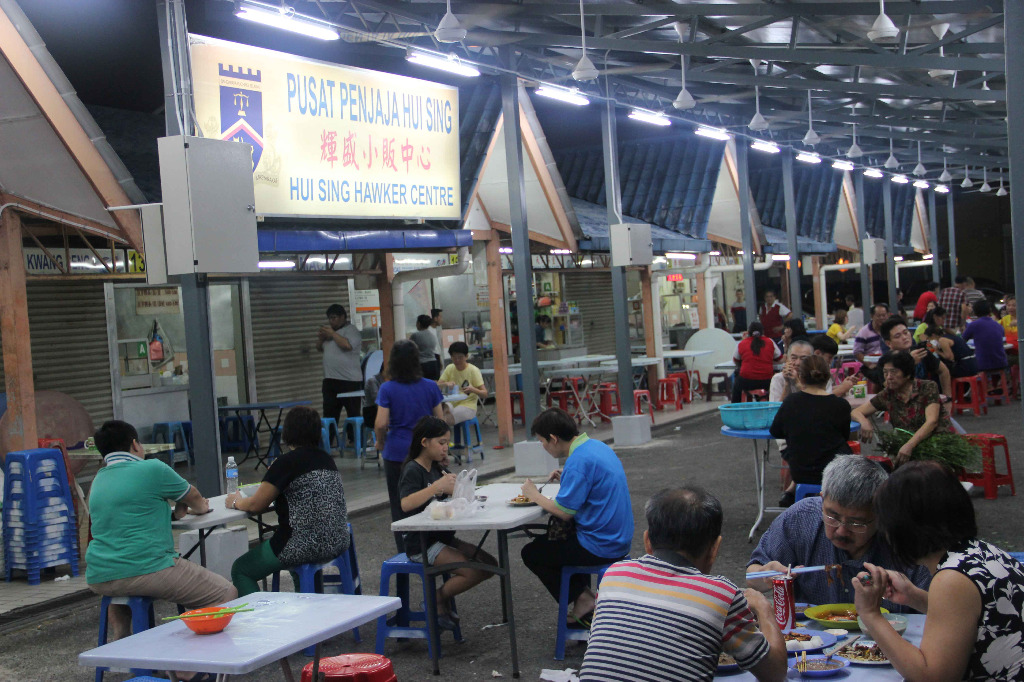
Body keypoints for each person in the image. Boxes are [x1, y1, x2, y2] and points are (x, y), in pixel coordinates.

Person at [581, 487, 787, 682]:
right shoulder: (722, 595)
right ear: (715, 549)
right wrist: (763, 607)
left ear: (647, 542)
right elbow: (775, 673)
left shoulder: (614, 575)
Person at [852, 461, 1024, 681]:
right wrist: (914, 597)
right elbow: (973, 618)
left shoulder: (952, 578)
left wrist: (870, 615)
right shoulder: (982, 552)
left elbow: (931, 676)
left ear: (904, 527)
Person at [86, 421, 237, 654]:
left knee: (124, 582)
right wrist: (199, 508)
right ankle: (190, 665)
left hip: (101, 574)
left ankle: (124, 645)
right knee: (225, 593)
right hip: (147, 567)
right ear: (135, 444)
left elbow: (128, 514)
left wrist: (171, 513)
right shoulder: (152, 468)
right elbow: (195, 498)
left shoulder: (98, 480)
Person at [747, 455, 931, 609]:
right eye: (832, 517)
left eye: (856, 523)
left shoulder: (903, 534)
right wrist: (765, 575)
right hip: (811, 642)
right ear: (822, 498)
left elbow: (944, 610)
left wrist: (912, 596)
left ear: (881, 513)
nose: (842, 531)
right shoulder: (800, 518)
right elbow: (751, 576)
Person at [519, 408, 633, 628]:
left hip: (600, 544)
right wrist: (568, 478)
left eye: (542, 441)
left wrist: (534, 495)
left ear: (553, 438)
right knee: (554, 547)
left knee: (532, 553)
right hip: (618, 538)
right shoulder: (595, 447)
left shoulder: (578, 461)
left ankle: (583, 600)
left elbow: (564, 512)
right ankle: (585, 598)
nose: (543, 447)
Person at [226, 406, 349, 596]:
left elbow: (255, 505)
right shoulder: (327, 459)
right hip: (338, 541)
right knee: (295, 560)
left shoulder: (286, 462)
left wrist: (235, 501)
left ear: (287, 433)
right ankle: (307, 604)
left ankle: (262, 620)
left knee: (241, 569)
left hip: (302, 545)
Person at [399, 416, 496, 630]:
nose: (446, 448)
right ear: (424, 442)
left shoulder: (435, 468)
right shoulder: (413, 470)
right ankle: (435, 598)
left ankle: (438, 598)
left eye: (447, 443)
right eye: (441, 443)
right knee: (472, 571)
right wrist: (437, 487)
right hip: (421, 543)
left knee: (489, 565)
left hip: (443, 536)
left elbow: (450, 496)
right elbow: (406, 504)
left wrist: (458, 487)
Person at [375, 339, 445, 551]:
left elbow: (380, 423)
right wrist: (443, 451)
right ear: (417, 361)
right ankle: (434, 548)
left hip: (396, 453)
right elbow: (440, 423)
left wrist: (380, 441)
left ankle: (406, 551)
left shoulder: (387, 389)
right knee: (431, 500)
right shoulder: (431, 386)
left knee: (400, 505)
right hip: (425, 453)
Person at [770, 355, 853, 506]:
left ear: (800, 378)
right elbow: (844, 436)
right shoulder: (840, 405)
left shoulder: (791, 402)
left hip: (800, 472)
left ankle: (791, 493)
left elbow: (776, 431)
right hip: (834, 472)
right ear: (828, 378)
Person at [852, 350, 955, 466]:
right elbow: (856, 412)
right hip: (908, 450)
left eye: (894, 372)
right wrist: (864, 421)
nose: (889, 377)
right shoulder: (888, 394)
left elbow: (932, 422)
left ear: (907, 374)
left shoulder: (927, 387)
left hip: (937, 446)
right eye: (885, 373)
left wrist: (910, 445)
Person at [318, 304, 363, 436]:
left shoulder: (351, 330)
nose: (332, 321)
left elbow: (347, 345)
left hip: (349, 381)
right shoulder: (330, 334)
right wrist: (321, 339)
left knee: (353, 413)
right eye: (330, 319)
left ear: (343, 317)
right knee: (329, 414)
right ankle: (329, 442)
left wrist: (332, 334)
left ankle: (354, 440)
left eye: (334, 318)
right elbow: (319, 348)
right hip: (330, 380)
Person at [878, 317, 952, 397]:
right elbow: (890, 387)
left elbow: (943, 371)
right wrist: (909, 362)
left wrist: (948, 398)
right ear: (888, 343)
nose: (904, 337)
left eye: (905, 332)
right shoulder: (885, 361)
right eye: (897, 336)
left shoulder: (920, 351)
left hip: (925, 401)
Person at [730, 321, 783, 403]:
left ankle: (734, 408)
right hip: (767, 381)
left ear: (748, 332)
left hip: (746, 381)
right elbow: (779, 359)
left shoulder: (742, 343)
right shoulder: (770, 342)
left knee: (737, 385)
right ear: (763, 332)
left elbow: (736, 360)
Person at [437, 341, 488, 426]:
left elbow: (485, 394)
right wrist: (445, 384)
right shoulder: (450, 368)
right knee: (438, 413)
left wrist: (473, 389)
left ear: (466, 356)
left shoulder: (473, 370)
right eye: (454, 357)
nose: (457, 360)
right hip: (451, 403)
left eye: (460, 357)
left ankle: (442, 437)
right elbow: (437, 386)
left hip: (468, 405)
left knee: (445, 420)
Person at [962, 300, 1008, 372]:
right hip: (1001, 362)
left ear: (975, 312)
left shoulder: (973, 325)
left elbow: (963, 340)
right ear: (990, 311)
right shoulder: (998, 325)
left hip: (983, 363)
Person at [769, 338, 812, 403]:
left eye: (803, 359)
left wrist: (797, 383)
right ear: (787, 359)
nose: (798, 363)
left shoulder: (818, 378)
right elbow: (774, 410)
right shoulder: (778, 378)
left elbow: (816, 407)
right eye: (794, 358)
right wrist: (787, 384)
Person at [411, 314, 441, 380]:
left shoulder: (415, 335)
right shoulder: (432, 335)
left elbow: (409, 348)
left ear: (418, 323)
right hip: (433, 364)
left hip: (422, 365)